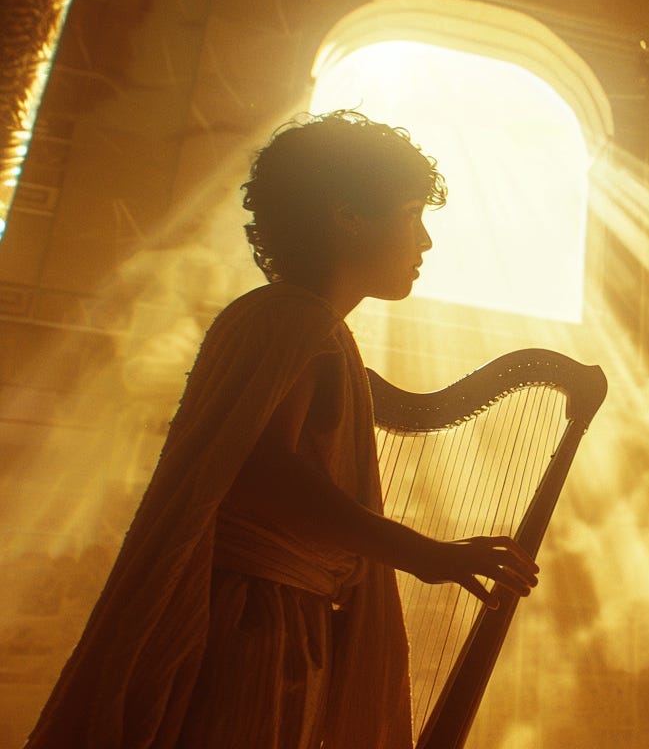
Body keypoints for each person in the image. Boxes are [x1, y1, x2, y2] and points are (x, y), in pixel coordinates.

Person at [27, 111, 539, 748]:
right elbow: (261, 471)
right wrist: (422, 554)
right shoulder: (293, 320)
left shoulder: (284, 321)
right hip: (255, 625)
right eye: (411, 215)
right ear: (347, 215)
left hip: (271, 615)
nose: (426, 242)